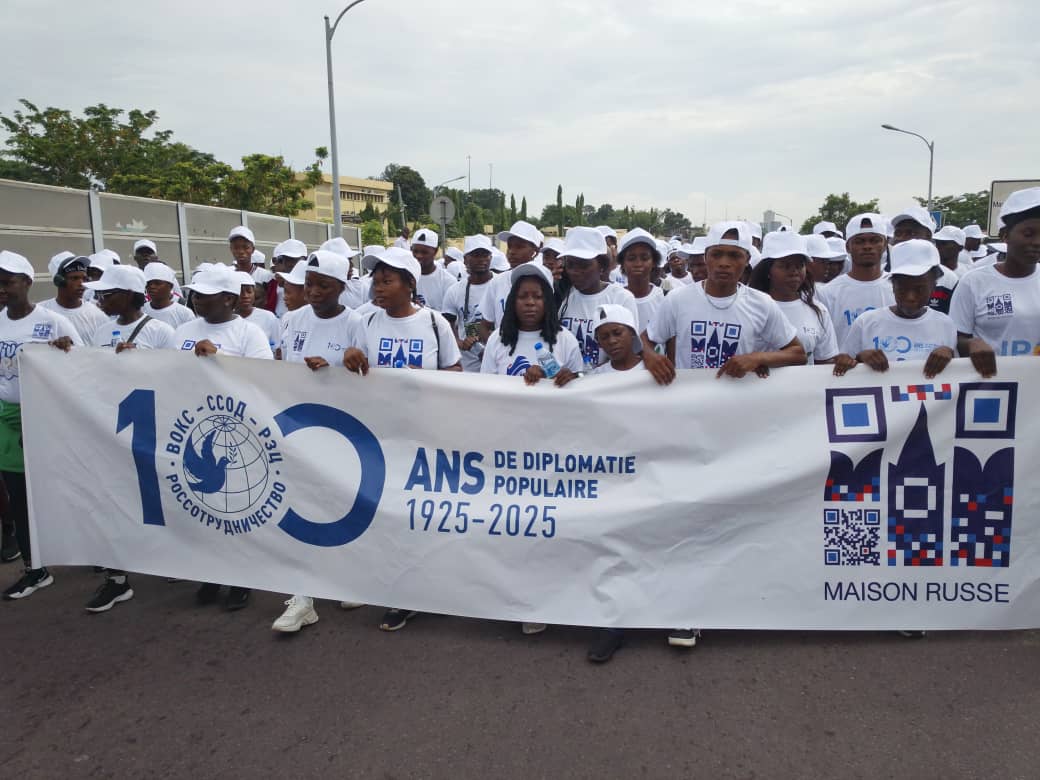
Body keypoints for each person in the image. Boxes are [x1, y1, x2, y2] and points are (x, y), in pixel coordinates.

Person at [342, 246, 461, 632]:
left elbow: (455, 372)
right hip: (381, 435)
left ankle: (435, 586)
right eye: (376, 281)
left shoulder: (434, 324)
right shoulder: (367, 322)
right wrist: (352, 359)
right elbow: (356, 365)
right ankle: (400, 593)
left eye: (387, 281)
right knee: (389, 513)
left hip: (426, 434)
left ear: (410, 284)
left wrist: (422, 382)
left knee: (425, 514)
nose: (378, 287)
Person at [271, 250, 366, 633]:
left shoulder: (356, 322)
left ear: (341, 287)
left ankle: (348, 576)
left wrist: (337, 370)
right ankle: (303, 596)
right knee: (300, 507)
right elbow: (280, 367)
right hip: (297, 428)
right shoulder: (290, 320)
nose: (313, 291)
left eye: (323, 285)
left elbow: (369, 379)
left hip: (342, 430)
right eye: (309, 283)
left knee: (340, 505)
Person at [173, 266, 273, 611]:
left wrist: (219, 358)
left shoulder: (250, 333)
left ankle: (243, 578)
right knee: (204, 507)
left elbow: (263, 379)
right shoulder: (184, 329)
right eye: (196, 294)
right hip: (192, 425)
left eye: (205, 294)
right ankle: (212, 573)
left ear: (228, 299)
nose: (197, 299)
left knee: (236, 506)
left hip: (236, 431)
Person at [82, 264, 177, 612]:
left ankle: (173, 556)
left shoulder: (162, 332)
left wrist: (141, 365)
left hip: (151, 425)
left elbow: (179, 379)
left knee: (158, 494)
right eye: (102, 293)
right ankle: (116, 578)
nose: (102, 298)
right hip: (109, 424)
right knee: (111, 496)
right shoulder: (99, 330)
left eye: (110, 293)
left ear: (131, 296)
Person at [0, 251, 83, 600]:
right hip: (7, 417)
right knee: (17, 494)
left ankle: (88, 551)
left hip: (45, 415)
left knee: (64, 487)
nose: (2, 289)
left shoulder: (53, 322)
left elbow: (82, 364)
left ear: (27, 282)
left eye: (8, 282)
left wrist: (63, 351)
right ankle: (35, 569)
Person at [642, 221, 806, 384]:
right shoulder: (677, 299)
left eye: (734, 256)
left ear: (747, 259)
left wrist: (758, 358)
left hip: (738, 406)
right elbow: (645, 340)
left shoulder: (761, 303)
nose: (724, 263)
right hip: (689, 404)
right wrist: (650, 356)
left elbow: (798, 353)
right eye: (717, 254)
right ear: (706, 257)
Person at [583, 304, 648, 663]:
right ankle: (613, 625)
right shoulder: (593, 378)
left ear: (633, 334)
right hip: (611, 477)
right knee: (611, 550)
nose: (612, 341)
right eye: (604, 336)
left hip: (651, 473)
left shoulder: (657, 371)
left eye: (618, 332)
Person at [832, 240, 958, 378]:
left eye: (920, 289)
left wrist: (949, 354)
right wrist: (859, 358)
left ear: (933, 286)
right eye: (902, 288)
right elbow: (842, 366)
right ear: (892, 286)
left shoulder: (945, 324)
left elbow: (957, 376)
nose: (910, 297)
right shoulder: (866, 322)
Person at [949, 186, 1040, 372]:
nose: (1037, 242)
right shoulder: (974, 282)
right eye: (1028, 234)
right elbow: (954, 337)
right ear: (1005, 236)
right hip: (992, 389)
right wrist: (971, 344)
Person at [480, 263, 583, 383]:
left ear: (548, 301)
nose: (530, 302)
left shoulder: (566, 340)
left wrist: (571, 378)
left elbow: (581, 384)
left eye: (537, 296)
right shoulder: (497, 339)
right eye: (522, 296)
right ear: (513, 301)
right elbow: (486, 386)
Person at [556, 227, 640, 368]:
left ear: (601, 265)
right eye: (570, 265)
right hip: (567, 384)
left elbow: (629, 352)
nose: (575, 272)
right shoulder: (563, 296)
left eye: (583, 265)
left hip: (603, 384)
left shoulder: (621, 298)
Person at [749, 232, 838, 364]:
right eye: (785, 266)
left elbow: (824, 362)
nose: (794, 272)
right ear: (768, 270)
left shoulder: (818, 311)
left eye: (799, 265)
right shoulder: (750, 307)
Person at [815, 214, 895, 349]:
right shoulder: (827, 293)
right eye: (859, 241)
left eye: (875, 240)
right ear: (847, 247)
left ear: (885, 244)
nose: (867, 246)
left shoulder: (897, 286)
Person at [477, 221, 545, 335]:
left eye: (519, 247)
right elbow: (484, 326)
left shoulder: (545, 280)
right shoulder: (497, 282)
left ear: (535, 251)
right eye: (509, 246)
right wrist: (495, 348)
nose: (512, 252)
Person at [442, 235, 495, 372]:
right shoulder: (454, 290)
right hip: (468, 363)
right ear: (465, 259)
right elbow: (447, 325)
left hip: (496, 358)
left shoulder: (501, 284)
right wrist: (460, 343)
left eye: (486, 255)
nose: (482, 259)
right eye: (476, 255)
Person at [38, 254, 110, 342]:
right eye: (75, 278)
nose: (81, 283)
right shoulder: (41, 311)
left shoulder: (97, 315)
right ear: (59, 281)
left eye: (84, 278)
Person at [617, 228, 664, 333]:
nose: (638, 264)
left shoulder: (665, 298)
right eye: (631, 258)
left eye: (644, 258)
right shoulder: (615, 298)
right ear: (622, 263)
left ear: (653, 262)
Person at [234, 272, 281, 354]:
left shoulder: (268, 317)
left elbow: (276, 347)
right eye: (241, 292)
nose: (245, 296)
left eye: (249, 292)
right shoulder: (227, 318)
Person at [409, 229, 456, 311]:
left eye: (424, 252)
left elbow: (450, 318)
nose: (419, 256)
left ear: (435, 251)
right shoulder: (404, 278)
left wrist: (423, 311)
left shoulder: (448, 281)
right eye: (415, 251)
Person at [143, 263, 195, 328]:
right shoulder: (141, 311)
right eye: (148, 283)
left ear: (170, 286)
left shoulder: (184, 313)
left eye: (157, 283)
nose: (152, 286)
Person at [267, 239, 308, 315]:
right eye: (286, 258)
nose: (290, 262)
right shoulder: (274, 284)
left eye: (295, 259)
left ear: (305, 259)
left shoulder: (309, 284)